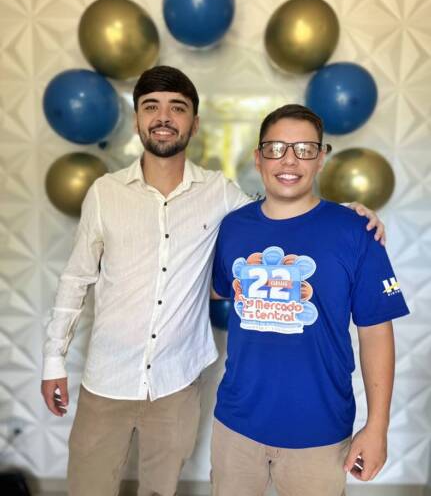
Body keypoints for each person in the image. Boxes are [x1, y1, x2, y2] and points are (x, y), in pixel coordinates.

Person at [41, 67, 385, 496]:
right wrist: (53, 360)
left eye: (177, 108)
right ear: (136, 120)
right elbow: (76, 278)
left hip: (177, 381)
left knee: (159, 491)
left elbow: (281, 210)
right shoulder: (104, 193)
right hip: (106, 378)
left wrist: (348, 213)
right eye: (151, 107)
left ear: (194, 123)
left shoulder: (220, 193)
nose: (163, 117)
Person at [211, 104, 409, 496]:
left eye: (304, 149)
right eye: (276, 148)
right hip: (236, 427)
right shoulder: (232, 228)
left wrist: (377, 427)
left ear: (321, 159)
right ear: (258, 157)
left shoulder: (356, 232)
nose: (289, 160)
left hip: (320, 433)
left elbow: (376, 334)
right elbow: (212, 289)